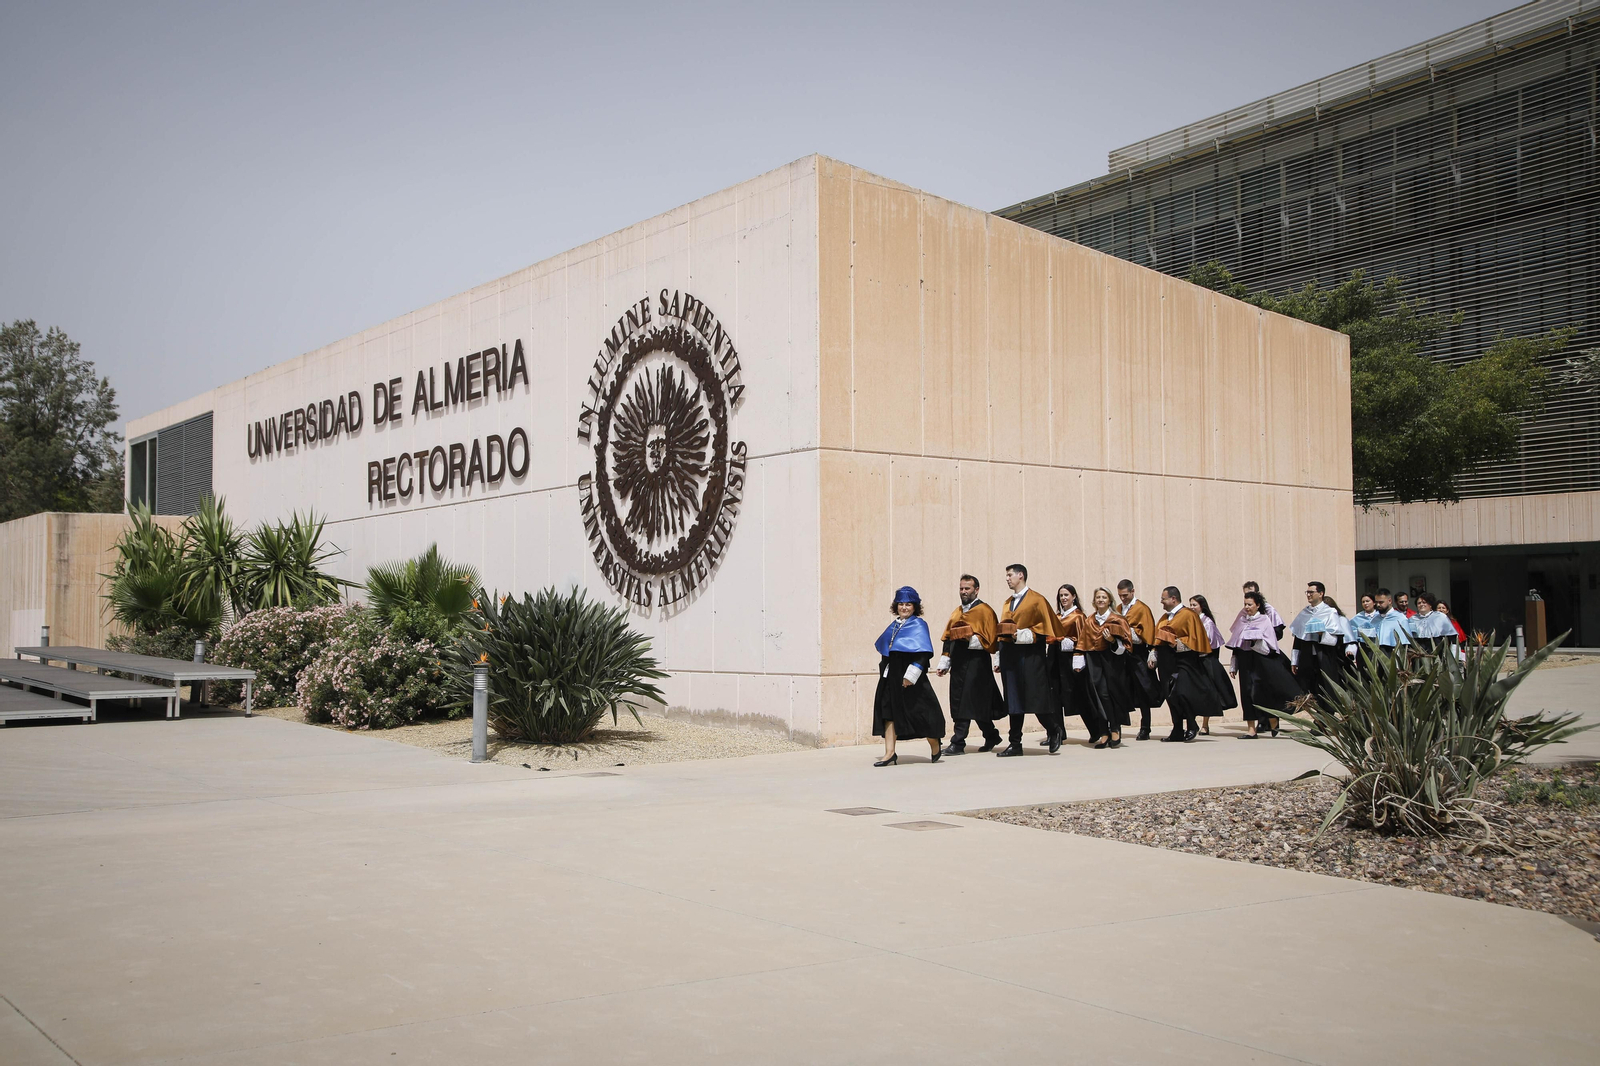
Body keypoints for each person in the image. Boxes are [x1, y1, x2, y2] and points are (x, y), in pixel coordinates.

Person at [995, 564, 1066, 758]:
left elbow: (1046, 629)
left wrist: (1023, 634)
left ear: (1021, 575)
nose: (1007, 578)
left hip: (1031, 657)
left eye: (1009, 575)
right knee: (1013, 700)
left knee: (1035, 697)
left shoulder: (1037, 600)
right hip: (1010, 656)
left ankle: (1054, 729)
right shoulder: (1007, 602)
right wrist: (999, 655)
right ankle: (1015, 743)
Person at [872, 587, 947, 766]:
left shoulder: (919, 625)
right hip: (891, 676)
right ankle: (890, 753)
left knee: (921, 712)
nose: (904, 608)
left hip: (910, 678)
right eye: (901, 604)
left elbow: (923, 654)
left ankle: (934, 742)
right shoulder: (894, 625)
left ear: (915, 607)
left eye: (908, 604)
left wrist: (910, 676)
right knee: (888, 711)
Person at [935, 575, 1006, 755]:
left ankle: (958, 742)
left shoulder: (985, 611)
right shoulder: (957, 612)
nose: (964, 592)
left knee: (967, 701)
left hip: (976, 664)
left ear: (976, 590)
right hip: (958, 664)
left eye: (967, 588)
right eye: (961, 588)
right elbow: (948, 638)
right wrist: (945, 661)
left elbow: (992, 639)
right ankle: (991, 735)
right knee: (968, 702)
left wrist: (970, 638)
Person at [1228, 591, 1302, 738]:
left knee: (1263, 691)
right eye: (1245, 604)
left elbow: (1271, 644)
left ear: (1258, 605)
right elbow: (1236, 644)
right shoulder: (1242, 620)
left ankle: (1273, 720)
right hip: (1245, 660)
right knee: (1246, 692)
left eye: (1250, 604)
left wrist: (1256, 640)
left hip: (1261, 660)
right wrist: (1233, 665)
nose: (1247, 607)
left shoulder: (1264, 620)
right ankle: (1251, 729)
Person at [1151, 586, 1219, 741]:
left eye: (1164, 598)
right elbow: (1157, 638)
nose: (1161, 601)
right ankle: (1177, 729)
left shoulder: (1188, 615)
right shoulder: (1164, 617)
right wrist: (1153, 653)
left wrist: (1177, 643)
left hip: (1184, 661)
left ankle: (1191, 724)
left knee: (1181, 692)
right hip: (1165, 661)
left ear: (1173, 599)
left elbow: (1197, 638)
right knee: (1169, 695)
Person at [1048, 584, 1110, 748]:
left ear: (1074, 596)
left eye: (1066, 595)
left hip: (1071, 660)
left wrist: (1071, 645)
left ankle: (1096, 728)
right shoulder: (1058, 615)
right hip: (1055, 658)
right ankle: (1057, 731)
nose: (1063, 598)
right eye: (1061, 595)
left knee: (1079, 694)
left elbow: (1083, 638)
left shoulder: (1078, 616)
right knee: (1054, 695)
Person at [1289, 581, 1352, 706]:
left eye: (1311, 592)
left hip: (1324, 657)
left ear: (1321, 593)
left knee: (1325, 686)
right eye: (1307, 592)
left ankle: (1326, 717)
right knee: (1309, 687)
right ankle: (1316, 718)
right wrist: (1295, 661)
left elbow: (1336, 639)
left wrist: (1321, 634)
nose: (1308, 595)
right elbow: (1298, 639)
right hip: (1307, 657)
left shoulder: (1330, 612)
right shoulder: (1304, 613)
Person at [1087, 587, 1136, 745]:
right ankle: (1104, 731)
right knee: (1101, 695)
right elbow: (1084, 641)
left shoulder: (1118, 619)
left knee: (1113, 693)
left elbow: (1127, 645)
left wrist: (1113, 642)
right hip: (1095, 661)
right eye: (1098, 597)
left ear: (1109, 600)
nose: (1101, 600)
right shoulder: (1090, 620)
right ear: (1094, 601)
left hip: (1113, 661)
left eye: (1104, 597)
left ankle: (1115, 728)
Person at [1116, 580, 1162, 741]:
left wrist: (1126, 632)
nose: (1123, 599)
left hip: (1138, 654)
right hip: (1122, 654)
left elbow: (1147, 634)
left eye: (1125, 595)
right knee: (1120, 689)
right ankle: (1117, 727)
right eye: (1120, 596)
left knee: (1143, 690)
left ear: (1132, 591)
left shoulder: (1142, 609)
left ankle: (1145, 727)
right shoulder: (1119, 609)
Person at [1189, 594, 1237, 734]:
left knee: (1207, 693)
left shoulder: (1207, 623)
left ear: (1201, 606)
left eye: (1194, 605)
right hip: (1193, 661)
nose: (1192, 607)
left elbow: (1211, 644)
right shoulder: (1191, 621)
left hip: (1204, 661)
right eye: (1190, 604)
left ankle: (1205, 724)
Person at [1407, 592, 1458, 657]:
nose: (1421, 604)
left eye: (1424, 602)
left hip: (1437, 654)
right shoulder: (1412, 619)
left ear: (1430, 605)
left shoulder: (1441, 617)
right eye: (1419, 603)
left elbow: (1453, 638)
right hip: (1418, 654)